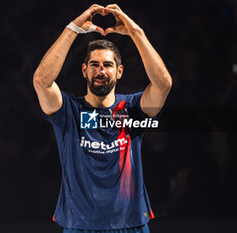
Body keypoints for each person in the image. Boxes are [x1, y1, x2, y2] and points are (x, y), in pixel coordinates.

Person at [33, 4, 172, 233]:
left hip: (131, 224)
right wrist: (73, 28)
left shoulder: (133, 109)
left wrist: (136, 32)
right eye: (95, 65)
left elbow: (163, 84)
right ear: (84, 70)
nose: (101, 71)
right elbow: (41, 81)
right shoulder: (68, 111)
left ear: (119, 72)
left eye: (108, 65)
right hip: (80, 225)